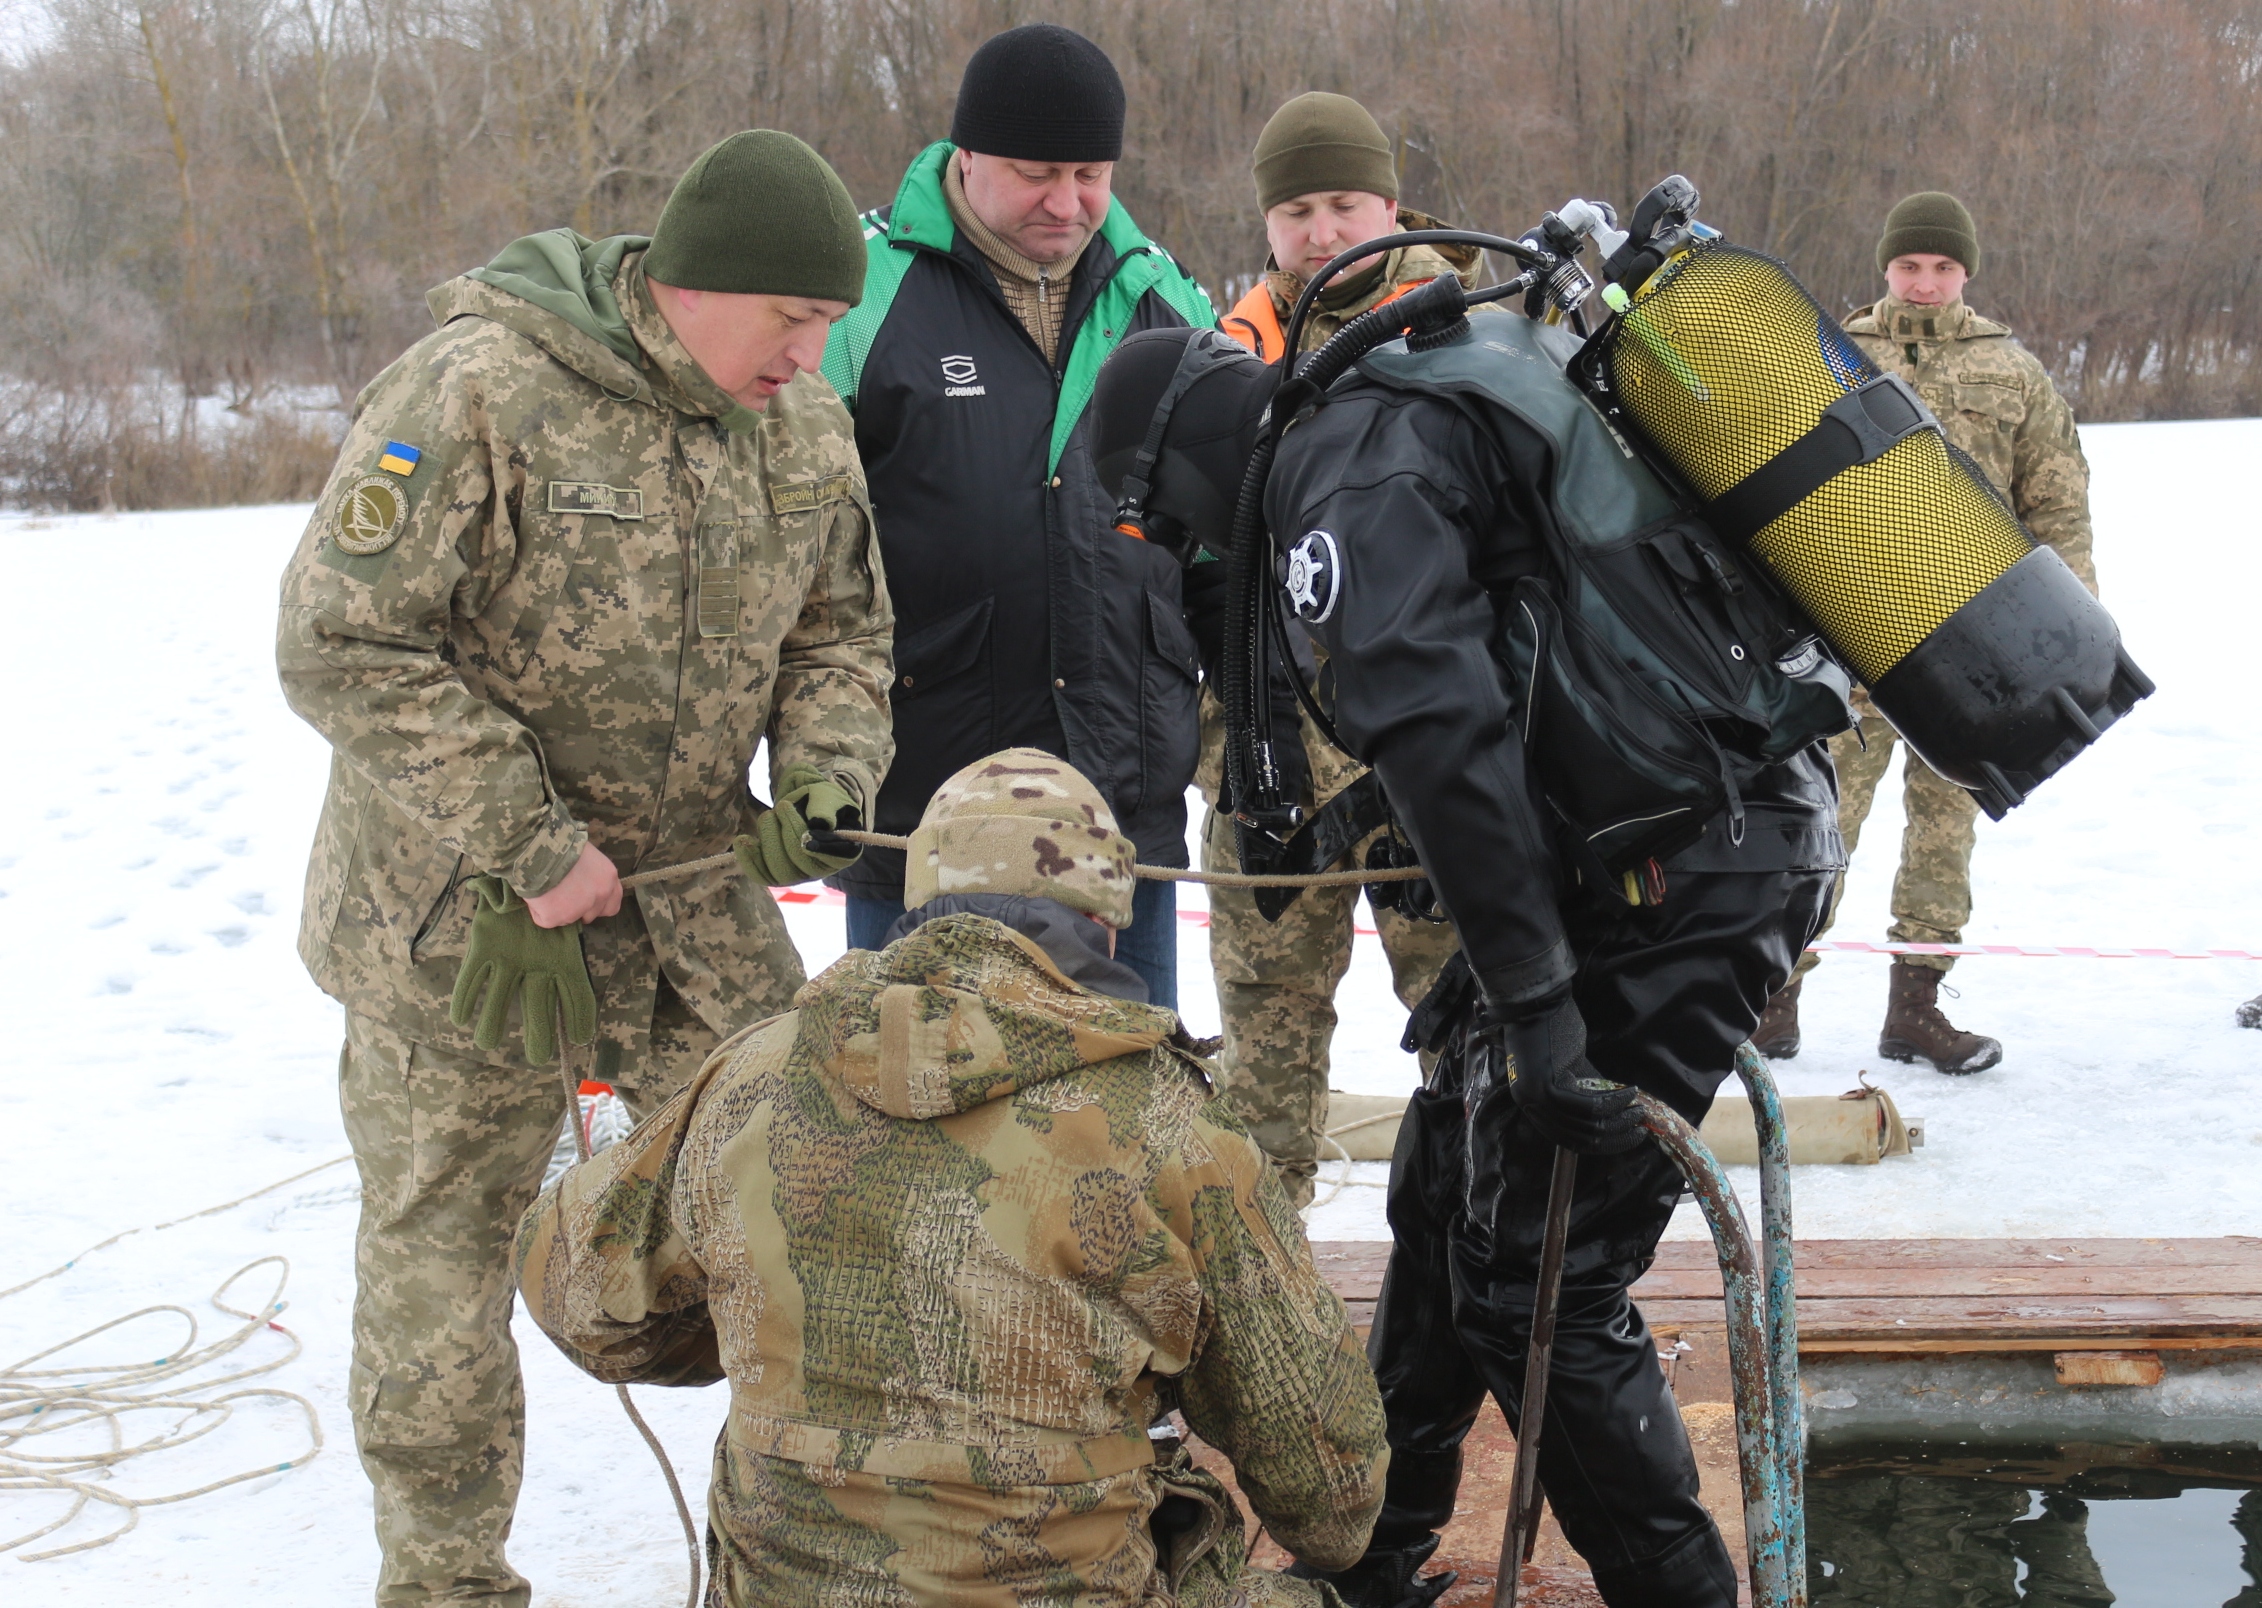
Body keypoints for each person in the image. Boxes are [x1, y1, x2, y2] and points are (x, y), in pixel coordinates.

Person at [1091, 297, 1845, 1604]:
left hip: (1685, 867)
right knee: (1444, 1195)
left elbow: (1445, 732)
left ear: (1190, 458)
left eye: (1167, 523)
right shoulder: (1394, 412)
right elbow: (1511, 665)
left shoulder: (1333, 483)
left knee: (1539, 1292)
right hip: (1670, 842)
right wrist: (1375, 833)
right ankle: (1368, 1565)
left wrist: (1541, 1005)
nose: (1193, 554)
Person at [276, 131, 894, 1607]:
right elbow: (339, 640)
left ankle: (802, 1562)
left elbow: (844, 633)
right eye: (792, 320)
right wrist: (533, 845)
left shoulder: (800, 425)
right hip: (463, 930)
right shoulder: (481, 388)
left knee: (807, 1211)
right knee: (442, 1263)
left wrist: (825, 767)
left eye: (830, 324)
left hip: (689, 918)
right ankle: (445, 1584)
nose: (813, 355)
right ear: (689, 287)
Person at [514, 748, 1388, 1607]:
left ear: (922, 897)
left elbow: (571, 1294)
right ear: (1110, 919)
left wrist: (773, 1331)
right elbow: (1334, 1502)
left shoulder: (754, 1078)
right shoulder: (1172, 1129)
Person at [817, 23, 1216, 1008]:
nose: (1067, 202)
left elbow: (1219, 549)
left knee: (1127, 1127)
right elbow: (800, 554)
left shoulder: (1161, 299)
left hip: (1123, 820)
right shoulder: (861, 297)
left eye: (1090, 174)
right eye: (1037, 172)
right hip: (923, 814)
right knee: (915, 1123)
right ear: (966, 158)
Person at [1192, 90, 1471, 1208]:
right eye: (1296, 209)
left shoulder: (1470, 329)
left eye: (1344, 204)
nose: (1321, 232)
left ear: (1388, 205)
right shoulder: (1221, 359)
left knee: (1471, 1034)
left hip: (1437, 759)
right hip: (1270, 765)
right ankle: (1263, 1301)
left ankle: (1474, 1291)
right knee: (1262, 1054)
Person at [1754, 191, 2097, 1075]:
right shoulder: (1835, 354)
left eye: (1943, 267)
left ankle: (1917, 1007)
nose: (1926, 282)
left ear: (1966, 271)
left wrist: (2073, 629)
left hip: (1977, 647)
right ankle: (1773, 997)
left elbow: (2055, 499)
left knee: (1944, 831)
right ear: (1885, 267)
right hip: (1854, 636)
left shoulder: (2011, 370)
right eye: (1911, 265)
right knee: (1820, 823)